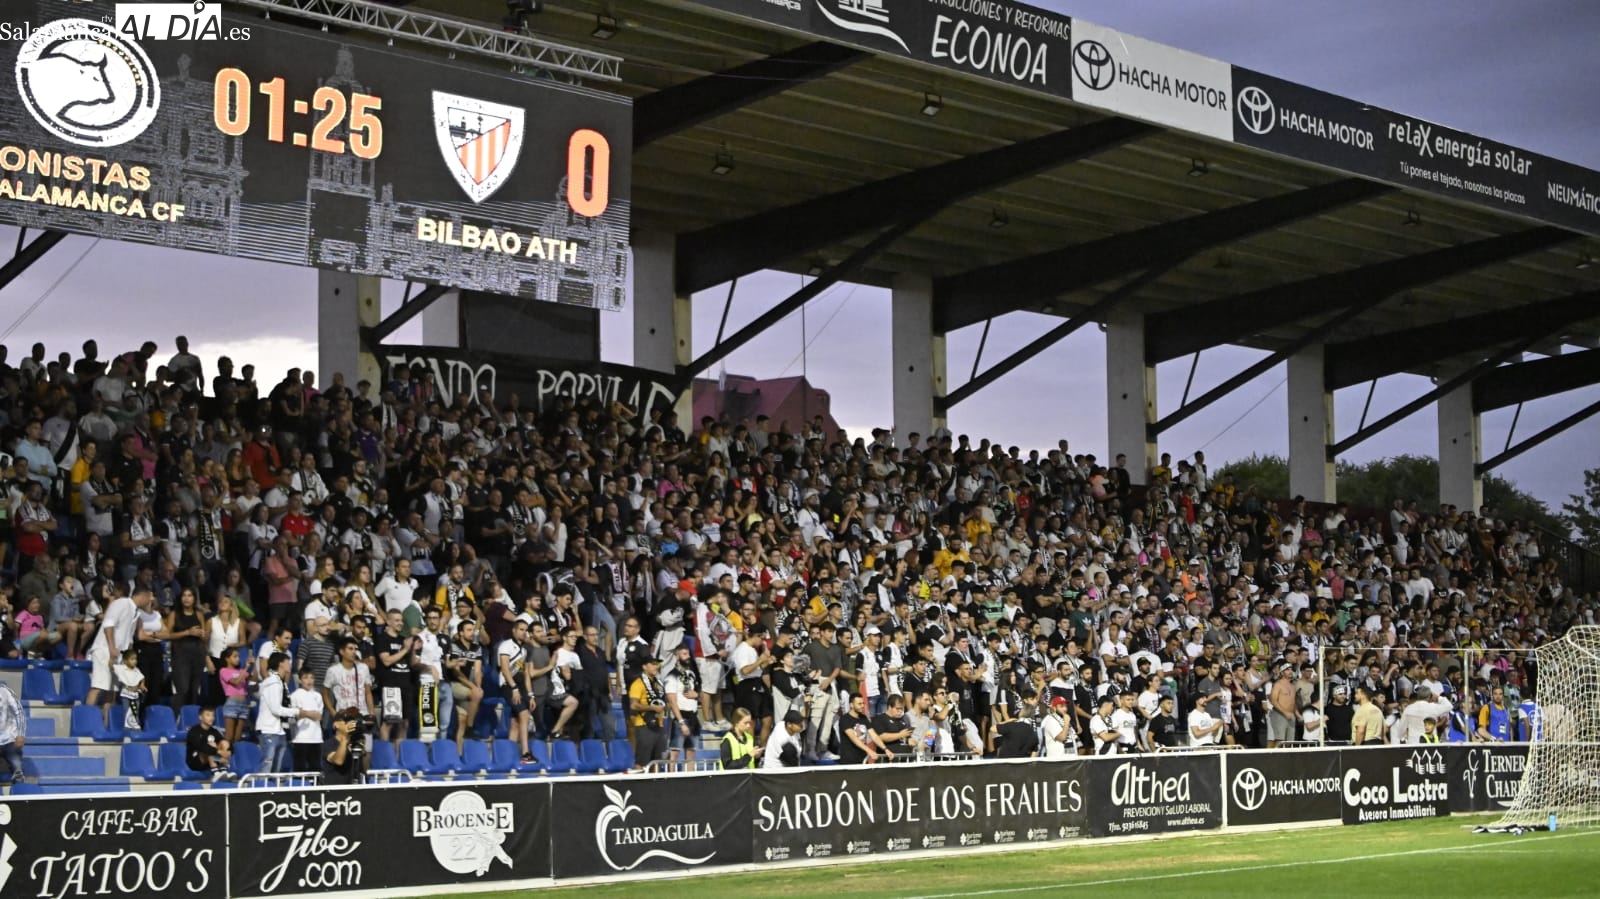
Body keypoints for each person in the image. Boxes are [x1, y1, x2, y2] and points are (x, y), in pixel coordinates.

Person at [255, 652, 300, 773]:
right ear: (281, 664)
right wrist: (297, 712)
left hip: (279, 730)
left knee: (276, 768)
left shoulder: (281, 684)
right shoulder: (273, 684)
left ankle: (273, 789)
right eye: (287, 662)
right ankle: (261, 789)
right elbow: (276, 709)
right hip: (268, 730)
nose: (290, 664)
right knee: (267, 764)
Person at [627, 655, 668, 770]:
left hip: (658, 725)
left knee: (657, 761)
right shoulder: (638, 683)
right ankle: (638, 786)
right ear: (644, 666)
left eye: (657, 664)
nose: (656, 667)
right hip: (644, 725)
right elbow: (633, 705)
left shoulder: (658, 684)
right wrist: (653, 708)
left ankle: (654, 785)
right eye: (653, 664)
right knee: (642, 760)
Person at [185, 706, 236, 782]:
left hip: (212, 759)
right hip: (195, 761)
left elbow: (227, 743)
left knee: (224, 743)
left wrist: (229, 752)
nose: (211, 718)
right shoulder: (194, 731)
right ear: (200, 717)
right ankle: (215, 774)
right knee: (209, 748)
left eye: (213, 715)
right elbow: (201, 747)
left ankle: (223, 771)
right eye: (208, 715)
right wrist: (218, 751)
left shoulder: (214, 731)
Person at [289, 667, 326, 772]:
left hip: (316, 738)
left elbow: (319, 716)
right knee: (300, 769)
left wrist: (304, 713)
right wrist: (308, 714)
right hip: (301, 738)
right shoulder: (295, 696)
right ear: (300, 680)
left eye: (311, 678)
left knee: (315, 768)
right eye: (306, 677)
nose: (309, 680)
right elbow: (293, 717)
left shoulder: (317, 696)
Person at [321, 708, 364, 785]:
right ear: (335, 724)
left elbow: (361, 769)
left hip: (354, 789)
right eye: (346, 720)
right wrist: (344, 738)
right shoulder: (328, 744)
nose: (350, 723)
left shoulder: (355, 743)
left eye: (352, 721)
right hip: (335, 790)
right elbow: (338, 761)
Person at [0, 680, 27, 784]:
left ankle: (19, 796)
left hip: (9, 739)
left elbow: (19, 712)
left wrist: (20, 735)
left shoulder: (6, 691)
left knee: (18, 773)